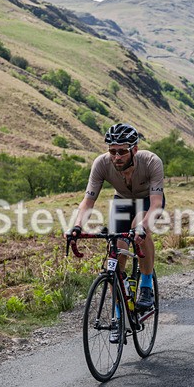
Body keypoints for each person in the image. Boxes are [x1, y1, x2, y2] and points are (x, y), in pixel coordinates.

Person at [69, 123, 165, 314]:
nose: (117, 157)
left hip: (147, 201)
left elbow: (156, 204)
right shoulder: (101, 164)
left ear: (134, 150)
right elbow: (87, 202)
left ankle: (146, 285)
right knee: (117, 253)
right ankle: (119, 313)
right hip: (122, 201)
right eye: (112, 151)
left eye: (122, 151)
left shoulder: (151, 161)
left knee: (139, 226)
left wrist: (144, 227)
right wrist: (77, 226)